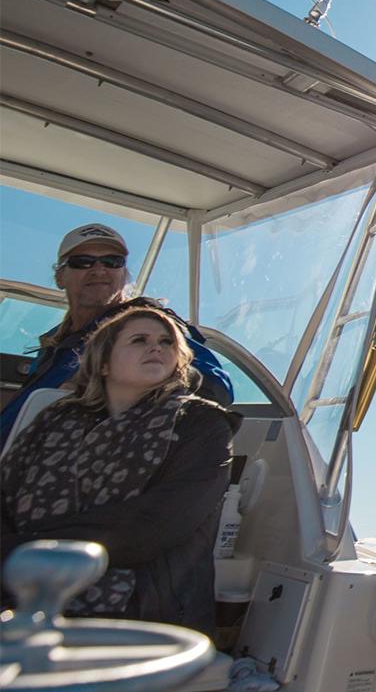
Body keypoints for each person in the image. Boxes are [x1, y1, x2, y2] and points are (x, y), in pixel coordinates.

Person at [0, 305, 237, 635]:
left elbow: (155, 524)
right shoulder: (54, 419)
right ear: (104, 362)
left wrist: (20, 552)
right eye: (139, 340)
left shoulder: (203, 425)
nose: (156, 347)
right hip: (20, 602)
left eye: (167, 342)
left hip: (143, 618)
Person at [0, 223, 232, 449]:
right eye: (83, 262)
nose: (99, 270)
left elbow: (216, 388)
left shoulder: (150, 326)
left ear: (124, 275)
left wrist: (104, 386)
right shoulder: (54, 343)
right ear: (60, 277)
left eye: (112, 262)